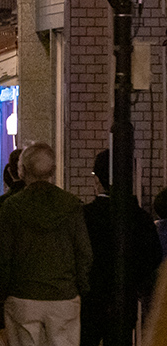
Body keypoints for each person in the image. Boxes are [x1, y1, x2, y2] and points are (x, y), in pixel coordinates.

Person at [0, 142, 92, 346]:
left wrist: (1, 291)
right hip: (64, 295)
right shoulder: (71, 204)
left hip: (22, 295)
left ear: (22, 171)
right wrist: (80, 286)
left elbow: (3, 254)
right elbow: (83, 252)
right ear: (53, 170)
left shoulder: (12, 206)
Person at [80, 148, 161, 346]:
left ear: (97, 179)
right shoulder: (140, 217)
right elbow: (153, 258)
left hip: (90, 299)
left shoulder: (84, 216)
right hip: (125, 298)